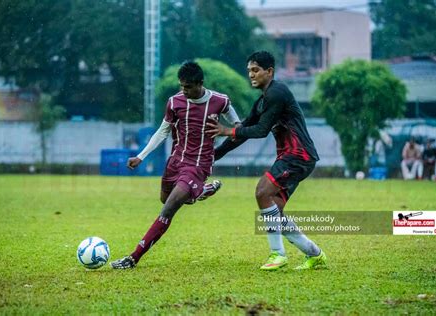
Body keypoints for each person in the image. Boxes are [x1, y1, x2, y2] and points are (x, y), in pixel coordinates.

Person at [110, 61, 241, 269]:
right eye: (181, 86)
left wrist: (232, 128)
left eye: (188, 86)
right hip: (176, 161)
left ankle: (133, 258)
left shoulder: (220, 101)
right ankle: (201, 191)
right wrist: (141, 156)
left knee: (168, 208)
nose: (184, 90)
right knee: (164, 198)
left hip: (198, 165)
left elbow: (236, 122)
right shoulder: (174, 102)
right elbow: (163, 131)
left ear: (200, 83)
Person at [206, 51, 326, 271]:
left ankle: (278, 254)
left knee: (262, 191)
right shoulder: (262, 102)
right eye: (249, 71)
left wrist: (225, 129)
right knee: (275, 212)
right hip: (294, 157)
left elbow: (260, 131)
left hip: (298, 155)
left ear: (269, 71)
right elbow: (242, 132)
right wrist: (214, 156)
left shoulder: (277, 93)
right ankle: (315, 254)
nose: (251, 75)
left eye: (256, 70)